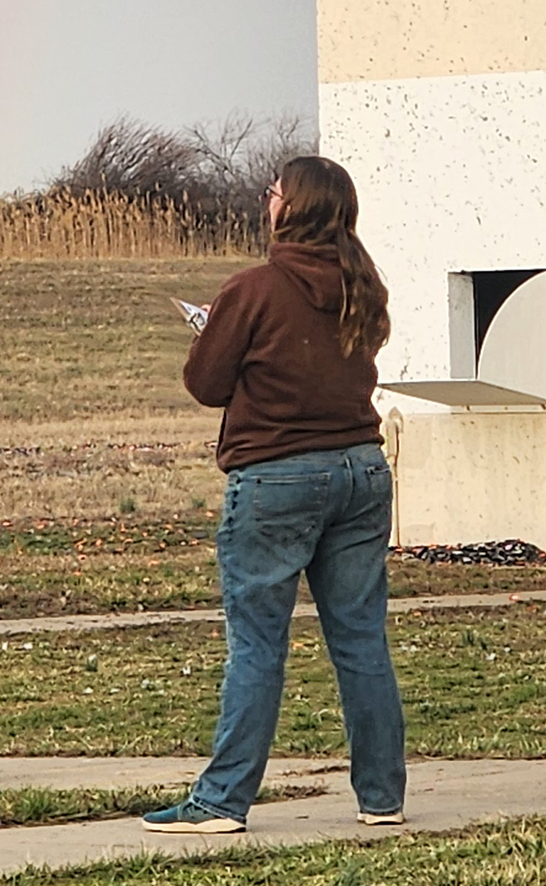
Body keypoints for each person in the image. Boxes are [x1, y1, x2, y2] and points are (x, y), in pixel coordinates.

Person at [143, 155, 405, 834]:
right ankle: (382, 796)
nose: (268, 203)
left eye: (274, 194)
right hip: (360, 468)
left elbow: (207, 384)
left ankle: (223, 799)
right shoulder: (362, 286)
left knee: (258, 644)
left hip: (276, 476)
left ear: (293, 208)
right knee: (360, 638)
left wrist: (217, 334)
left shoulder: (254, 289)